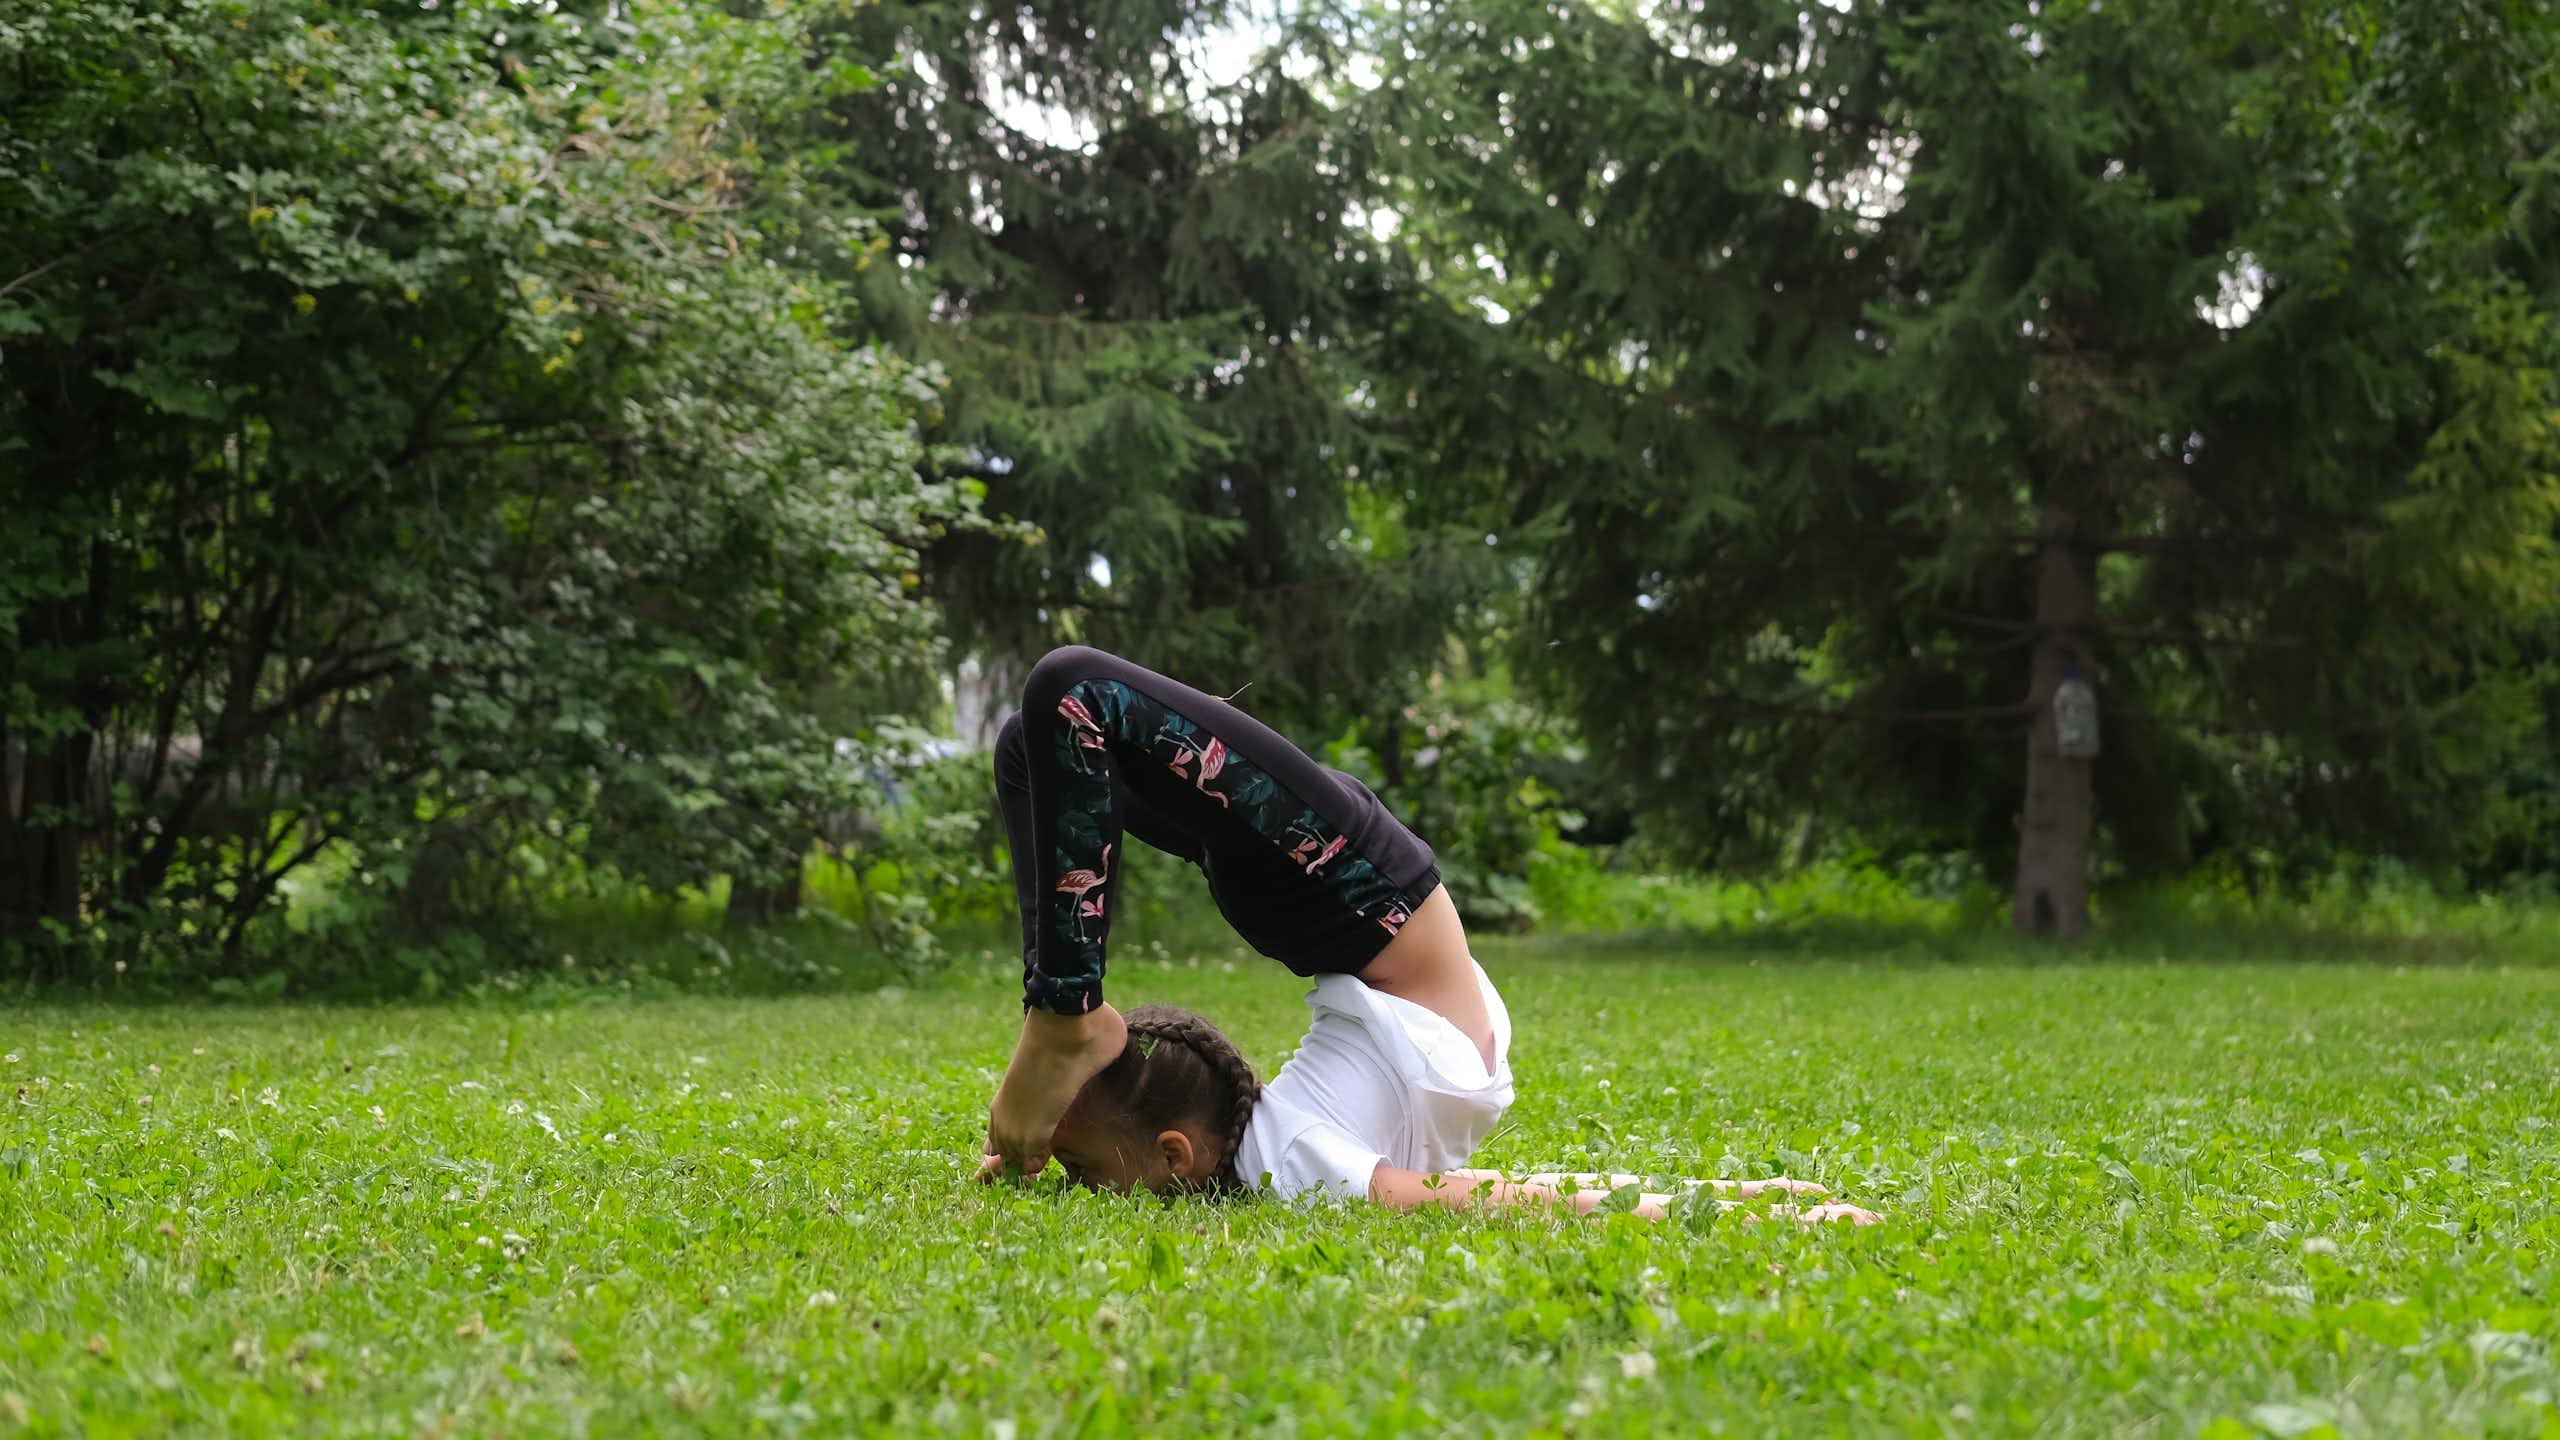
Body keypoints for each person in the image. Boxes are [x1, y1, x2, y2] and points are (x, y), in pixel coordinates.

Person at [980, 645, 1877, 1223]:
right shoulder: (1287, 1166)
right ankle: (1067, 1010)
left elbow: (1496, 1192)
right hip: (1370, 914)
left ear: (1175, 1156)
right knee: (1069, 697)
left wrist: (1752, 1195)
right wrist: (1753, 1207)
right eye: (1081, 1176)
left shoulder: (1285, 1162)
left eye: (1087, 1178)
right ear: (1177, 1158)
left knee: (1038, 731)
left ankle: (1067, 1011)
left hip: (1372, 933)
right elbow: (1489, 1195)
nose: (1084, 1194)